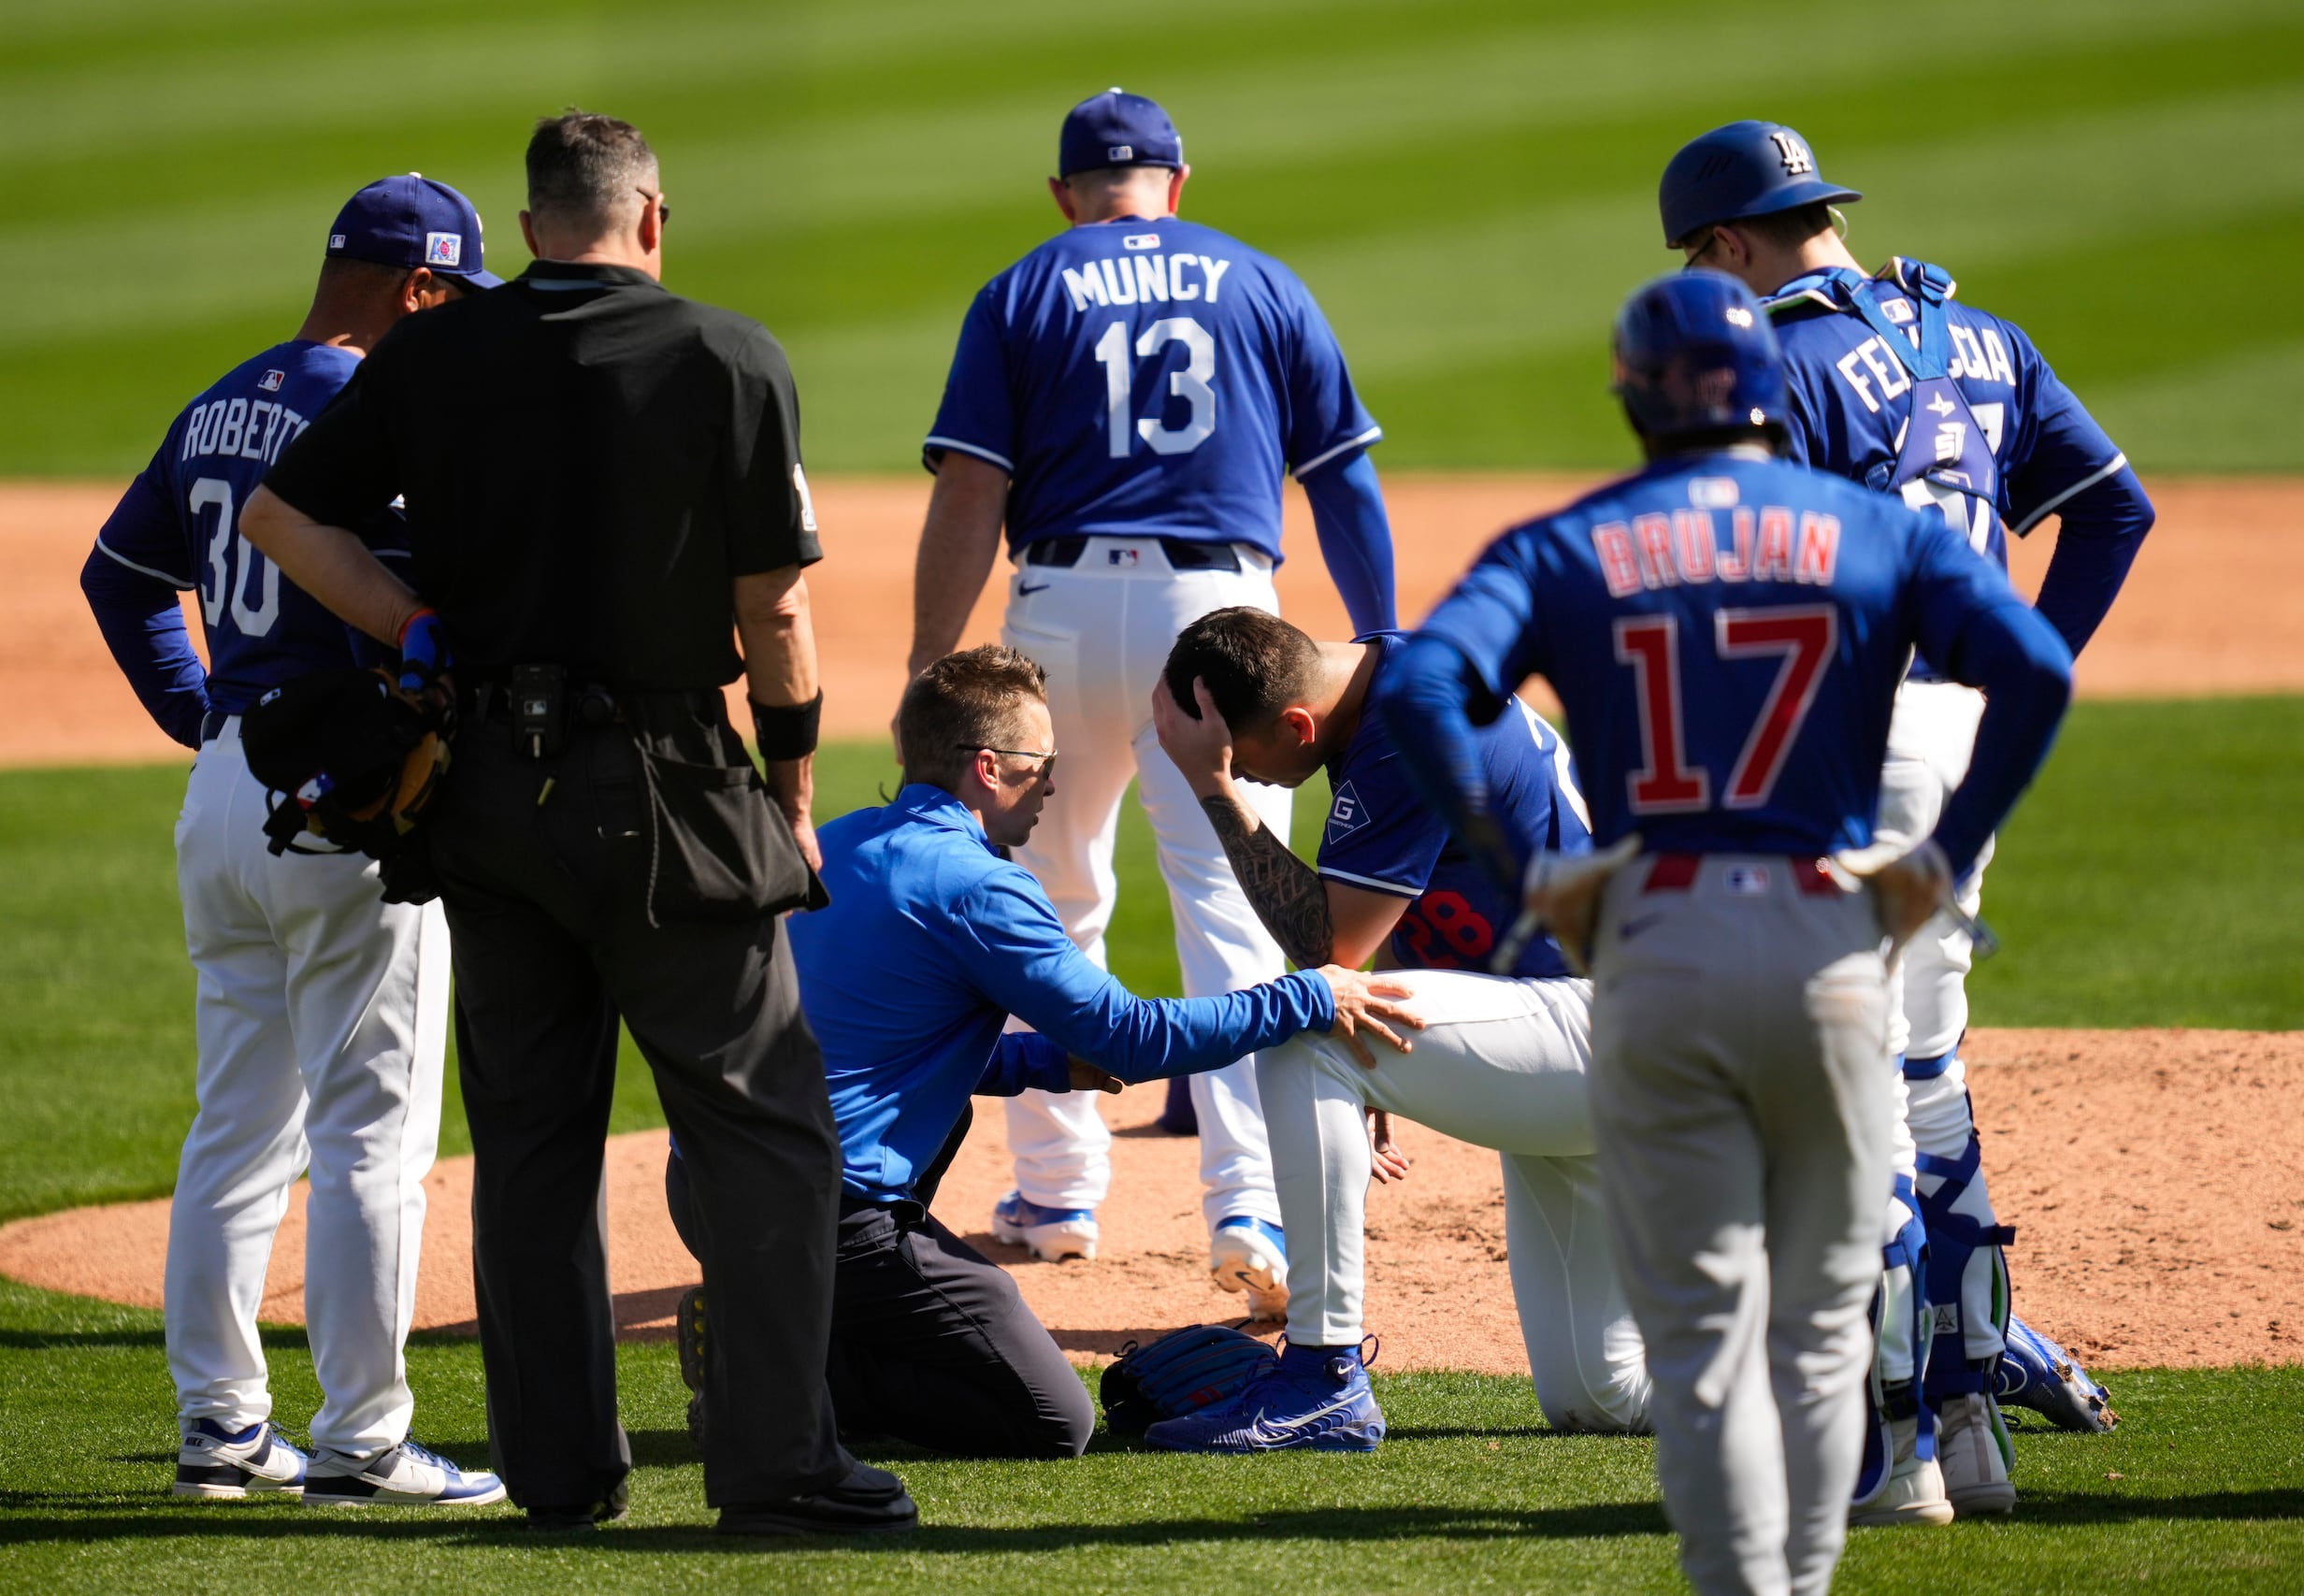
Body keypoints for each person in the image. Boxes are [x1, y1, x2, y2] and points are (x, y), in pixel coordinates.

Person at [238, 111, 910, 1537]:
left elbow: (283, 521)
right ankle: (777, 1463)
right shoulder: (726, 356)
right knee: (763, 1131)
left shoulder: (434, 350)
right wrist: (790, 783)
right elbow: (775, 606)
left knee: (533, 1141)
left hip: (482, 793)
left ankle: (557, 1470)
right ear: (651, 219)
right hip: (667, 791)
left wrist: (416, 623)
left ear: (533, 226)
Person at [1378, 271, 2072, 1596]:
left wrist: (1531, 873)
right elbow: (2036, 666)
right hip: (1827, 939)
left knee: (1702, 1338)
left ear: (1635, 398)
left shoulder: (1570, 539)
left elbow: (1419, 680)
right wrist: (1940, 852)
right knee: (1820, 1331)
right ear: (1768, 390)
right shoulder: (1872, 529)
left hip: (1658, 942)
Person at [1659, 120, 2143, 1518]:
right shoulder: (1981, 335)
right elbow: (2117, 511)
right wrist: (2020, 670)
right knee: (1928, 1078)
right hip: (1959, 746)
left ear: (1736, 243)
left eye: (1707, 261)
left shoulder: (1778, 363)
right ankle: (1972, 1413)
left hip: (1847, 752)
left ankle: (1891, 1456)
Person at [669, 645, 1420, 1459]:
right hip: (819, 1217)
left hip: (707, 1184)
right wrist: (1309, 993)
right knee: (1052, 1416)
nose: (1055, 782)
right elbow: (1128, 1033)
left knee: (931, 1164)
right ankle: (768, 1372)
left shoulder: (839, 845)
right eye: (1043, 764)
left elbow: (877, 1050)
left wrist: (1045, 1065)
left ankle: (774, 1326)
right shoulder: (977, 885)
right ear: (988, 768)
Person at [907, 88, 1400, 1316]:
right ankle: (1254, 1209)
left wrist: (931, 661)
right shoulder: (1261, 281)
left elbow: (972, 491)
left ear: (1066, 193)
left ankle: (1059, 1195)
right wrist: (1378, 641)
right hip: (1221, 621)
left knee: (1048, 893)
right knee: (1237, 909)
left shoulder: (1026, 286)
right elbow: (1344, 479)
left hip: (1064, 607)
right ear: (1178, 184)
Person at [79, 175, 503, 1508]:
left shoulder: (220, 398)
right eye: (453, 303)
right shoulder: (388, 409)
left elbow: (120, 576)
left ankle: (219, 1427)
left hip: (227, 790)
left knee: (237, 1125)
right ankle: (363, 1441)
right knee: (373, 1132)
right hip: (346, 809)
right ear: (418, 290)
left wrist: (206, 718)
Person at [1143, 608, 1650, 1449]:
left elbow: (1326, 944)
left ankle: (1321, 1378)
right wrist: (1397, 1049)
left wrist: (1214, 788)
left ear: (1297, 723)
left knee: (1305, 1024)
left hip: (1611, 1024)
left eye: (1252, 759)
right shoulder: (1394, 674)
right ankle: (1804, 1396)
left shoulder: (1411, 724)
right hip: (1576, 1023)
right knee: (1598, 1396)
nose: (1255, 779)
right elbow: (1427, 880)